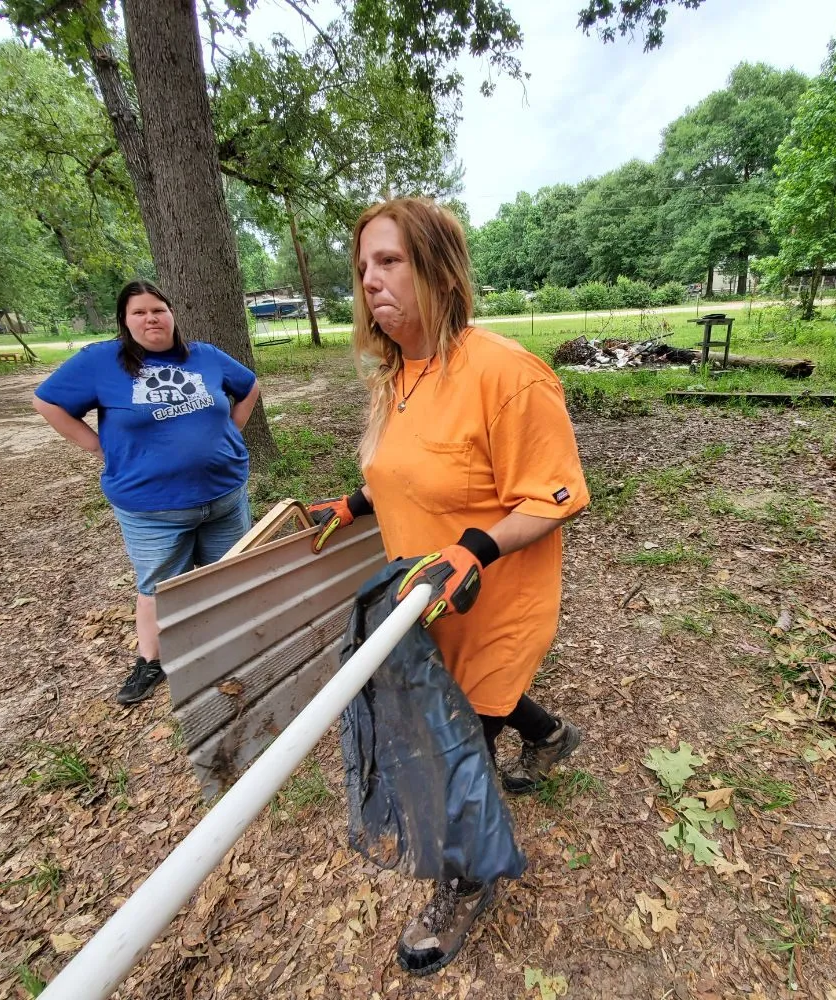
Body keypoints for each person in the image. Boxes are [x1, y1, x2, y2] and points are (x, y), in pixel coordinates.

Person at [307, 198, 590, 976]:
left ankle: (463, 881)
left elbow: (558, 492)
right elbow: (415, 468)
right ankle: (552, 735)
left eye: (389, 262)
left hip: (493, 595)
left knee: (456, 743)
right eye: (363, 267)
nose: (370, 281)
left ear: (437, 268)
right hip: (423, 595)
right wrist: (357, 502)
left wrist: (471, 549)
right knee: (467, 702)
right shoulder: (395, 378)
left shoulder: (506, 373)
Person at [33, 280, 260, 705]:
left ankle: (228, 645)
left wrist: (230, 430)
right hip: (152, 510)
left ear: (172, 314)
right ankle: (150, 660)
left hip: (225, 497)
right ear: (125, 322)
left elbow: (247, 386)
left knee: (227, 575)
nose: (150, 318)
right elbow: (47, 403)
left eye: (158, 309)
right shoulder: (102, 361)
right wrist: (96, 446)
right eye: (138, 312)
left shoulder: (205, 357)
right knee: (157, 587)